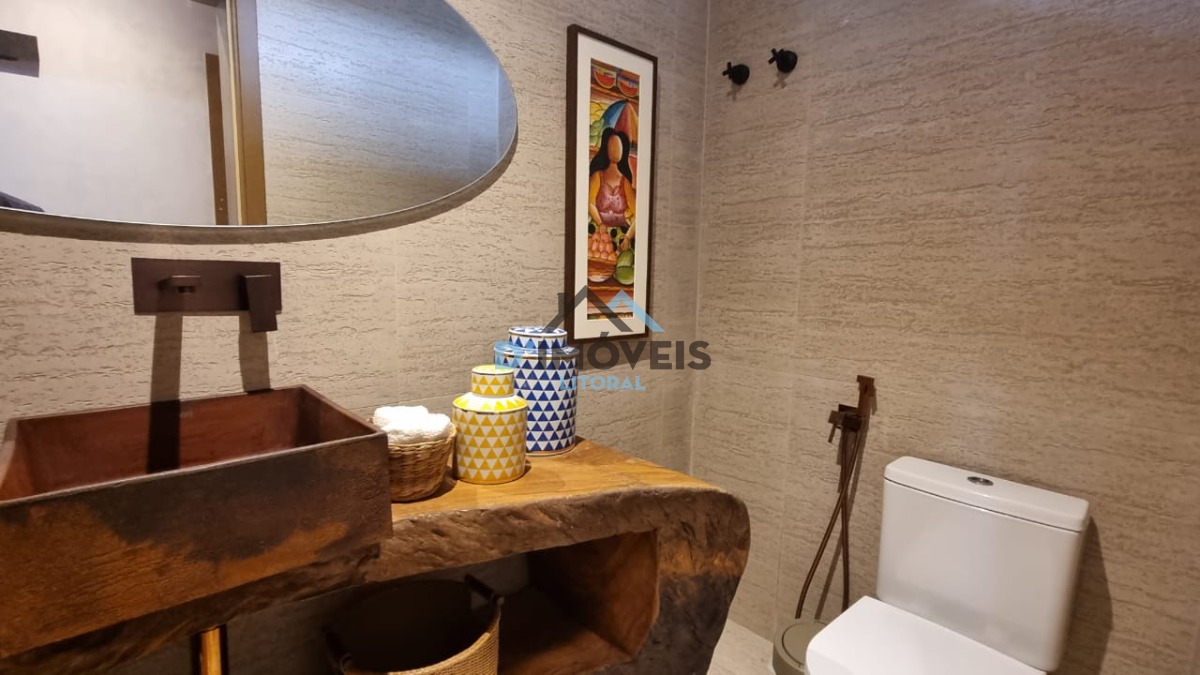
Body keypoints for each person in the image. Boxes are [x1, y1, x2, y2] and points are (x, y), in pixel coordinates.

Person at [587, 128, 636, 252]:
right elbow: (590, 203)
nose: (616, 150)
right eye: (612, 146)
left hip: (620, 236)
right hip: (600, 234)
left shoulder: (625, 182)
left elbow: (638, 215)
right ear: (606, 148)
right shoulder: (598, 176)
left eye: (618, 146)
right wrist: (600, 223)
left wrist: (627, 237)